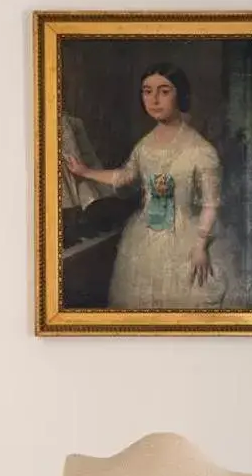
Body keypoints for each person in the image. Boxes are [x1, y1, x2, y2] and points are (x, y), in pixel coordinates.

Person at [65, 64, 231, 310]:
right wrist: (86, 172)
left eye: (164, 91)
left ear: (180, 95)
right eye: (147, 91)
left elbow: (210, 204)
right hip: (144, 237)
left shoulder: (201, 150)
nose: (154, 100)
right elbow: (125, 177)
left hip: (185, 241)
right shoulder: (145, 145)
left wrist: (199, 247)